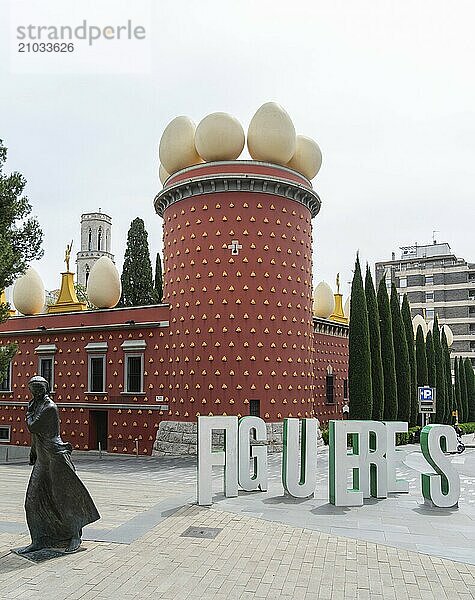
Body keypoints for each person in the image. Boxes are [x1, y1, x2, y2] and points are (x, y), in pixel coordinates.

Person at [18, 376, 100, 554]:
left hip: (55, 456)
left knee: (64, 498)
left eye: (33, 389)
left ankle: (75, 536)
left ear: (40, 390)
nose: (31, 393)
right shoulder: (36, 404)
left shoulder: (49, 407)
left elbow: (33, 426)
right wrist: (33, 452)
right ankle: (39, 539)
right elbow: (36, 435)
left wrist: (28, 412)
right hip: (43, 457)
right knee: (32, 500)